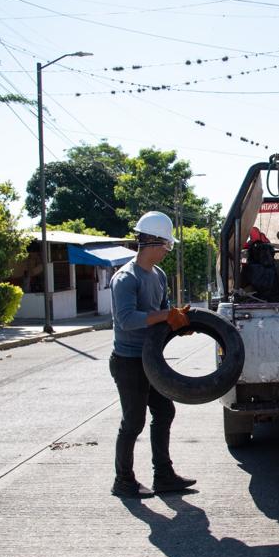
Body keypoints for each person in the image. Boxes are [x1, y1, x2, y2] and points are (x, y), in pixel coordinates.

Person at [110, 211, 197, 498]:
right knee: (133, 421)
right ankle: (123, 480)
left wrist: (177, 326)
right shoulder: (125, 278)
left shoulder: (158, 275)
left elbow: (162, 314)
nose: (167, 251)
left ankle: (164, 475)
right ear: (153, 243)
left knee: (164, 411)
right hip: (128, 361)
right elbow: (126, 319)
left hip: (151, 357)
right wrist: (165, 315)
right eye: (167, 246)